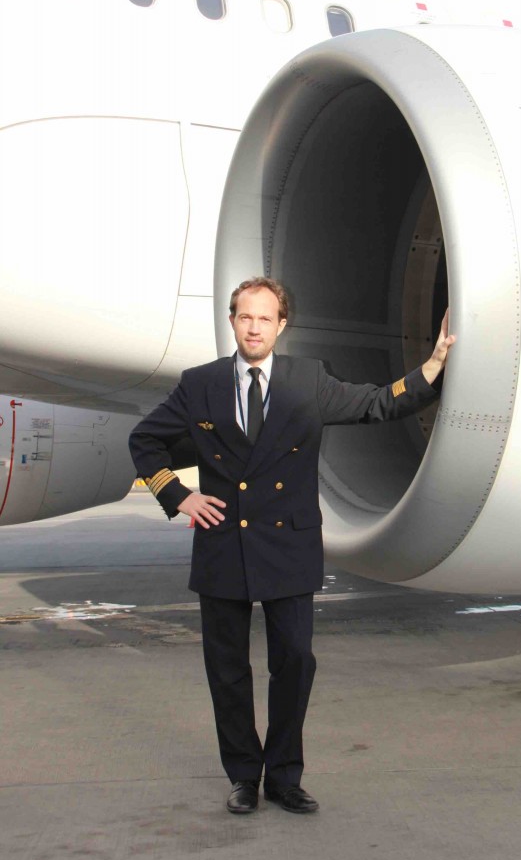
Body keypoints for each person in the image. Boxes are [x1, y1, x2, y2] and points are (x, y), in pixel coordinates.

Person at [129, 276, 455, 816]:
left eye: (265, 318)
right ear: (232, 322)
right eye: (245, 317)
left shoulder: (309, 380)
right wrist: (179, 495)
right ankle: (242, 777)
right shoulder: (200, 384)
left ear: (282, 325)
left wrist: (435, 362)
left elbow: (377, 404)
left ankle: (283, 775)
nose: (254, 327)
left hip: (289, 545)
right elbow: (145, 440)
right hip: (222, 544)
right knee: (227, 670)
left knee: (296, 663)